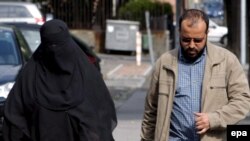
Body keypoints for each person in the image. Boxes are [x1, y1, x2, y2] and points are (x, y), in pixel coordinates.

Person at [140, 9, 250, 141]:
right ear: (179, 33)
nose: (191, 45)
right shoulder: (164, 63)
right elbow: (151, 112)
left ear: (207, 34)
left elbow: (243, 101)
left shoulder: (227, 61)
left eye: (198, 40)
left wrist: (213, 119)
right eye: (186, 40)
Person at [3, 19, 117, 141]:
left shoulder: (87, 75)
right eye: (50, 45)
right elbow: (15, 118)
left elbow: (101, 117)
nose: (54, 51)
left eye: (58, 44)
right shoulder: (29, 77)